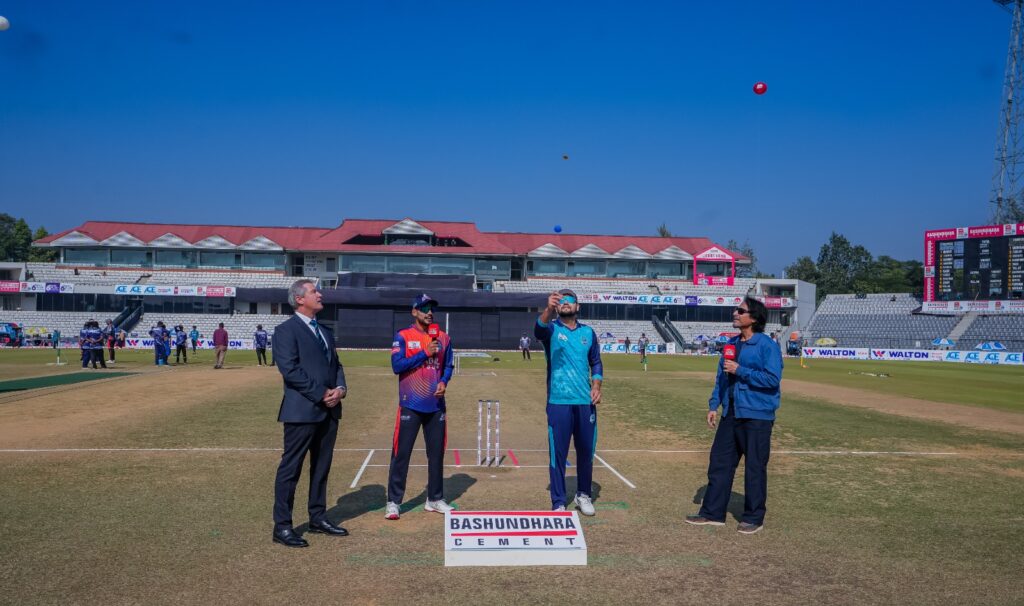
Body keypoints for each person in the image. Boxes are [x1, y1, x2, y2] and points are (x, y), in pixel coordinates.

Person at [686, 297, 783, 535]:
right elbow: (721, 379)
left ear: (754, 318)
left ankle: (753, 517)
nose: (735, 313)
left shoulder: (766, 346)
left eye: (741, 311)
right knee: (719, 463)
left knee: (754, 468)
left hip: (757, 415)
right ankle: (712, 513)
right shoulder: (731, 344)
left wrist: (741, 370)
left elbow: (772, 380)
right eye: (736, 310)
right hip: (731, 413)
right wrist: (713, 405)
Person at [272, 279, 348, 548]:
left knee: (321, 468)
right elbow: (290, 371)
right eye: (315, 291)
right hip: (301, 411)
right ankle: (282, 526)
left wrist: (339, 388)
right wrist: (320, 394)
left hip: (329, 411)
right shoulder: (285, 331)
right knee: (290, 470)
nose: (320, 294)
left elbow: (336, 365)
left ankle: (317, 517)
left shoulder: (325, 331)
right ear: (300, 299)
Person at [384, 294, 456, 520]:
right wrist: (425, 352)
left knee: (436, 455)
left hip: (435, 405)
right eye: (424, 308)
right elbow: (397, 366)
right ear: (414, 311)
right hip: (410, 404)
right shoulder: (403, 336)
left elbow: (448, 366)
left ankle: (434, 499)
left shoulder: (443, 338)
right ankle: (394, 502)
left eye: (431, 308)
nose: (429, 312)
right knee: (401, 454)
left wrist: (444, 381)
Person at [535, 289, 603, 516]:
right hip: (558, 401)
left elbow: (596, 362)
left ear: (578, 306)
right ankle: (558, 502)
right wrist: (548, 309)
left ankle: (584, 494)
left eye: (570, 301)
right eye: (561, 301)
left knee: (585, 452)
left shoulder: (588, 333)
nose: (565, 303)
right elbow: (539, 329)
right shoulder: (552, 329)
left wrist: (596, 386)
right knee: (559, 454)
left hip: (585, 402)